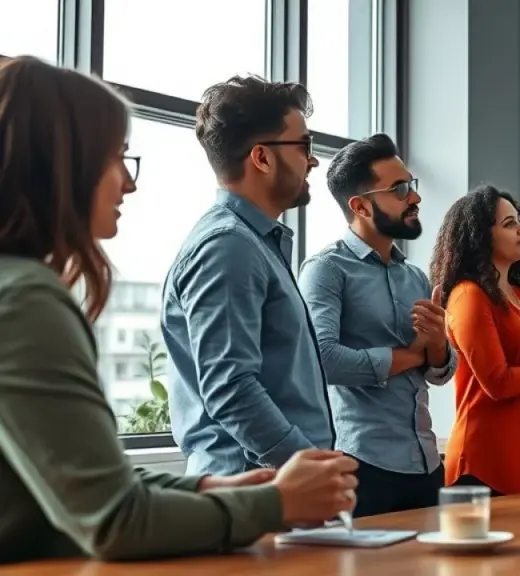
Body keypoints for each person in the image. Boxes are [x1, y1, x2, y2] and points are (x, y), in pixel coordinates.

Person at [0, 56, 357, 563]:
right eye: (116, 157)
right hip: (229, 519)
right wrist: (284, 492)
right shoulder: (26, 300)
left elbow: (73, 471)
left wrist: (216, 489)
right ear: (65, 165)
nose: (130, 182)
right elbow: (116, 518)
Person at [161, 75, 334, 476]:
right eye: (304, 145)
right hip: (255, 493)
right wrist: (308, 465)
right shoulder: (229, 245)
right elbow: (231, 389)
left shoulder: (253, 243)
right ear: (262, 157)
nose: (313, 159)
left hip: (276, 489)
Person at [298, 133, 456, 517]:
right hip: (362, 466)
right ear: (361, 206)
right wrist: (412, 354)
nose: (414, 197)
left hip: (426, 463)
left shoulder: (416, 277)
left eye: (411, 186)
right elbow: (322, 362)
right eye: (400, 189)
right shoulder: (326, 270)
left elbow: (440, 372)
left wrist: (436, 347)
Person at [430, 184, 520, 496]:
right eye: (509, 224)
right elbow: (497, 382)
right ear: (479, 236)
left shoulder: (518, 292)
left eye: (518, 219)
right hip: (490, 459)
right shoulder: (469, 296)